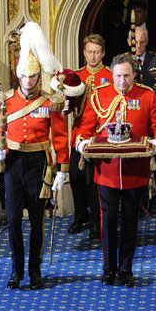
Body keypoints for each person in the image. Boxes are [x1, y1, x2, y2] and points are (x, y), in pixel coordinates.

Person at [75, 53, 156, 287]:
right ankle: (109, 268)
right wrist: (82, 143)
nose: (122, 81)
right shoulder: (99, 95)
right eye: (118, 76)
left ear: (134, 75)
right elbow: (85, 128)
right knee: (107, 221)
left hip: (135, 171)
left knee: (130, 221)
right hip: (106, 170)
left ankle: (126, 269)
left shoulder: (147, 95)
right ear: (112, 75)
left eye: (126, 76)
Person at [0, 22, 69, 290]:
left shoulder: (49, 102)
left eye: (32, 76)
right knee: (13, 220)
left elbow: (60, 136)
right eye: (24, 76)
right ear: (18, 75)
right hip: (13, 165)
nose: (28, 81)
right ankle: (16, 270)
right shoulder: (7, 100)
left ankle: (35, 270)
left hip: (38, 166)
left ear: (38, 76)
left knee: (37, 222)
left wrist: (62, 169)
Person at [66, 34, 112, 237]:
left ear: (103, 53)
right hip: (79, 133)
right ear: (84, 53)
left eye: (96, 52)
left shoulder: (111, 76)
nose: (93, 56)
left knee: (96, 179)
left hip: (100, 134)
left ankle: (95, 220)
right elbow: (68, 107)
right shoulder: (76, 76)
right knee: (75, 176)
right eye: (89, 52)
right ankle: (80, 216)